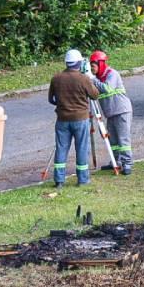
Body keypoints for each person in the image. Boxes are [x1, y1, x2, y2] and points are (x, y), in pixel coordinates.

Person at [48, 49, 100, 187]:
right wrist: (90, 76)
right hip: (80, 119)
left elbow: (51, 99)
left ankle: (59, 180)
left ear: (66, 62)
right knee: (81, 148)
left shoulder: (56, 78)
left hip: (62, 120)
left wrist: (63, 104)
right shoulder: (83, 79)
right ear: (79, 63)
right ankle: (82, 180)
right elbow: (95, 95)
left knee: (61, 148)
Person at [88, 50, 133, 174]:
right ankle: (115, 161)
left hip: (121, 111)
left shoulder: (112, 74)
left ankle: (127, 163)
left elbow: (107, 88)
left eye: (93, 66)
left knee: (123, 139)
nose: (92, 69)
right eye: (91, 67)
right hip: (110, 113)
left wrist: (92, 80)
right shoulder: (97, 78)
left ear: (101, 64)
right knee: (112, 140)